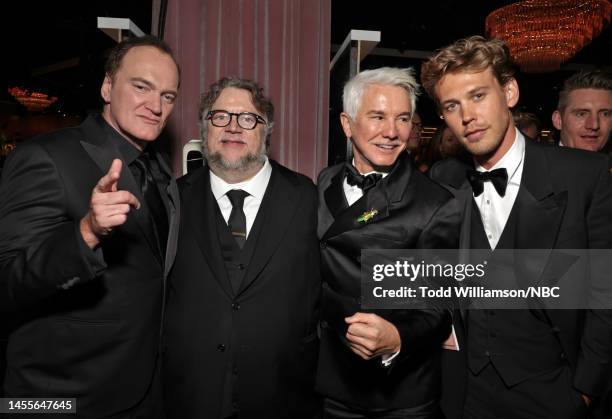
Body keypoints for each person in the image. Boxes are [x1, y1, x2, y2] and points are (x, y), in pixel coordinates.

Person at [422, 35, 612, 419]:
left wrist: (585, 390)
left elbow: (604, 293)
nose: (467, 116)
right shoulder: (445, 179)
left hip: (553, 392)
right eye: (452, 105)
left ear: (509, 91)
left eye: (478, 96)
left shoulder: (582, 176)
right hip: (466, 395)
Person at [0, 35, 180, 418]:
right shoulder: (45, 156)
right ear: (107, 86)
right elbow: (7, 279)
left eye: (168, 96)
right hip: (61, 394)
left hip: (143, 389)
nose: (156, 106)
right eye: (141, 87)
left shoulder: (159, 169)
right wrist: (86, 233)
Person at [162, 77, 321, 419]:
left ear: (267, 130)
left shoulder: (308, 197)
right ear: (204, 129)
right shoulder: (171, 199)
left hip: (285, 395)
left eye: (248, 118)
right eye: (220, 116)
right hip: (191, 397)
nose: (233, 127)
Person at [316, 67, 461, 419]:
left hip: (401, 395)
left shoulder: (436, 203)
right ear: (347, 125)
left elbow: (440, 307)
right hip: (333, 384)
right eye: (377, 117)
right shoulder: (326, 180)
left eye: (402, 119)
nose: (392, 132)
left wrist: (397, 337)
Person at [552, 69, 612, 153]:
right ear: (558, 120)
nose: (594, 125)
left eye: (605, 114)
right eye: (581, 114)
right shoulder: (535, 165)